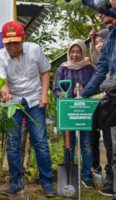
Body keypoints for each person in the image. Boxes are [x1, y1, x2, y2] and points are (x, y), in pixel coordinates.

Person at [0, 21, 55, 197]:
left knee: (40, 142)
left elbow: (45, 71)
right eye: (8, 43)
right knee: (13, 143)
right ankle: (16, 183)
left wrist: (44, 95)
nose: (12, 46)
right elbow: (2, 82)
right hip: (13, 101)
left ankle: (47, 183)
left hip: (35, 100)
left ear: (23, 39)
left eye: (16, 42)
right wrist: (4, 93)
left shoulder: (35, 49)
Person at [81, 0, 116, 199]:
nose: (102, 12)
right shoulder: (110, 36)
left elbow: (103, 8)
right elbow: (101, 69)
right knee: (111, 144)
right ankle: (112, 182)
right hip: (112, 94)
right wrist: (84, 94)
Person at [54, 39, 95, 189]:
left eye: (78, 52)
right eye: (72, 51)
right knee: (68, 145)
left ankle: (86, 176)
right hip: (68, 112)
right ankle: (70, 176)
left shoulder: (89, 68)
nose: (75, 55)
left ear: (83, 52)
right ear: (68, 52)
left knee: (86, 144)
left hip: (84, 112)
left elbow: (96, 87)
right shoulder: (62, 69)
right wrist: (61, 95)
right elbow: (56, 90)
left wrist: (86, 91)